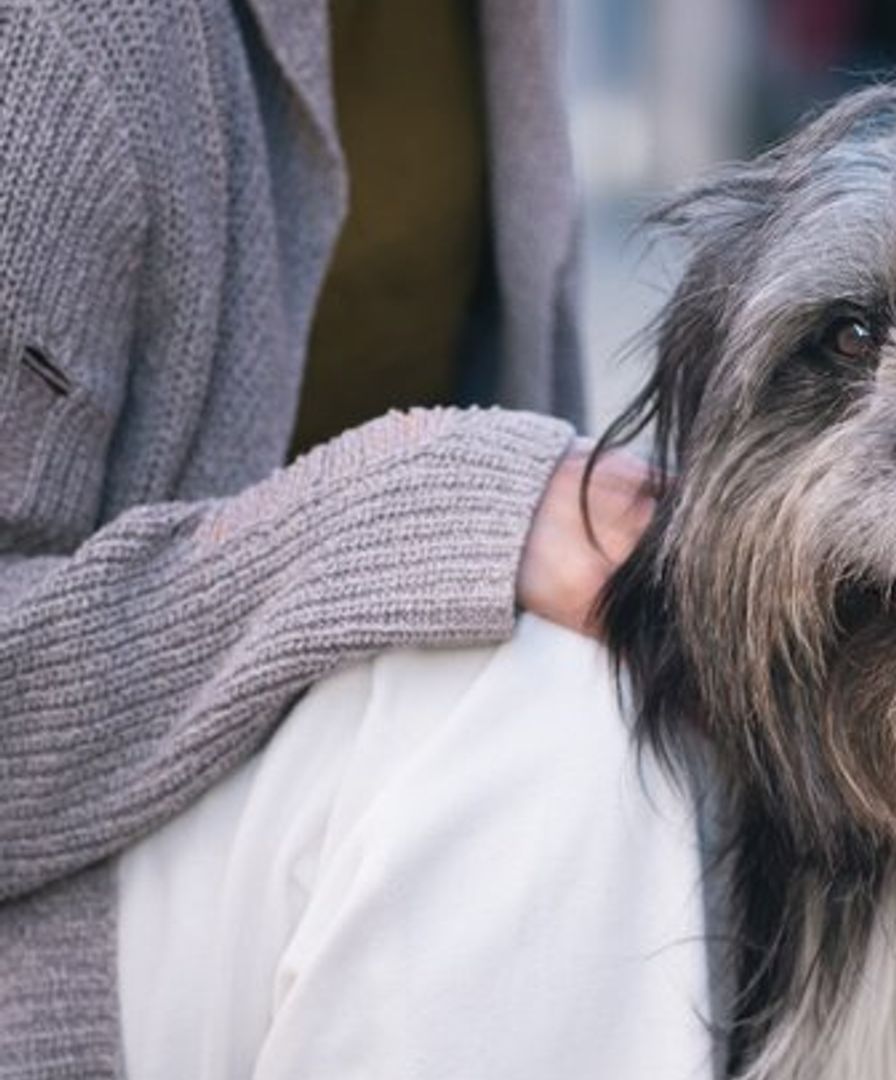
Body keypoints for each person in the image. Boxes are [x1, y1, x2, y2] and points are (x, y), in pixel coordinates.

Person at [0, 3, 653, 1074]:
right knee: (561, 738)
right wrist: (421, 515)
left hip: (342, 813)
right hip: (70, 898)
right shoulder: (57, 34)